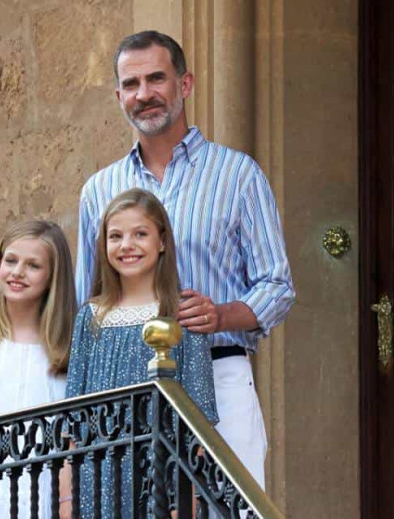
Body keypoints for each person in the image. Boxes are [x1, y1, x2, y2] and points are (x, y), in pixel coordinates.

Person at [75, 31, 295, 490]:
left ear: (185, 84)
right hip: (127, 384)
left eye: (156, 79)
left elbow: (276, 285)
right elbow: (88, 295)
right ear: (119, 96)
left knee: (229, 504)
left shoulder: (237, 174)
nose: (144, 94)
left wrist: (220, 315)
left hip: (219, 368)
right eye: (131, 84)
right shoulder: (99, 189)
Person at [66, 188, 218, 517]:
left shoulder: (181, 313)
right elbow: (73, 418)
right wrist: (67, 499)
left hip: (162, 476)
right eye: (115, 236)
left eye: (140, 234)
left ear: (161, 241)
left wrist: (186, 499)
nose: (127, 245)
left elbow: (198, 419)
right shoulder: (90, 317)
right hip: (98, 477)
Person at [0, 220, 77, 518]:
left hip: (48, 490)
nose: (18, 272)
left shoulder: (68, 348)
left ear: (53, 276)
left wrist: (66, 501)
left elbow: (73, 434)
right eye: (10, 260)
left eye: (33, 265)